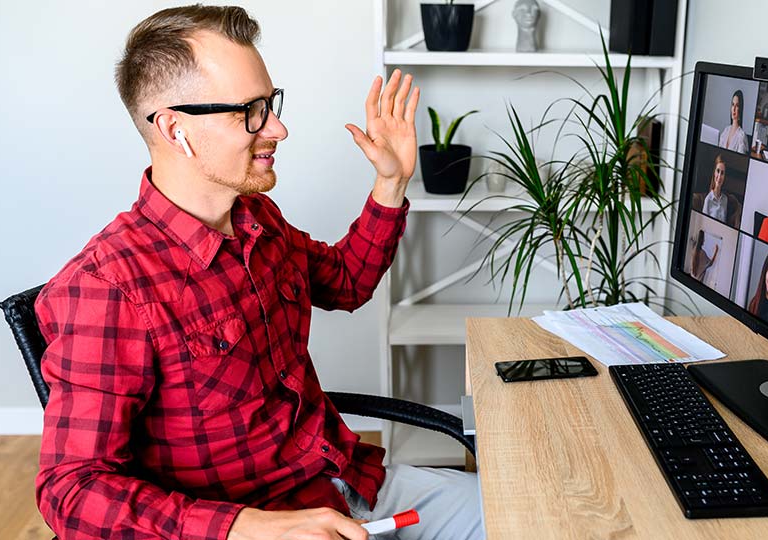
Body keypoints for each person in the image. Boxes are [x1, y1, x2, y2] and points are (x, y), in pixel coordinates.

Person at [33, 6, 483, 540]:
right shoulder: (106, 286)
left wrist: (390, 182)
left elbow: (344, 282)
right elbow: (72, 490)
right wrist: (248, 528)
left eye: (272, 105)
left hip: (347, 483)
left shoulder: (257, 220)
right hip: (254, 526)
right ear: (175, 129)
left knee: (543, 512)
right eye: (250, 111)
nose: (278, 129)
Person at [702, 154, 728, 221]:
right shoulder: (708, 200)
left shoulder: (725, 199)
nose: (719, 176)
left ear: (725, 176)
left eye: (722, 173)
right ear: (714, 172)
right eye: (718, 171)